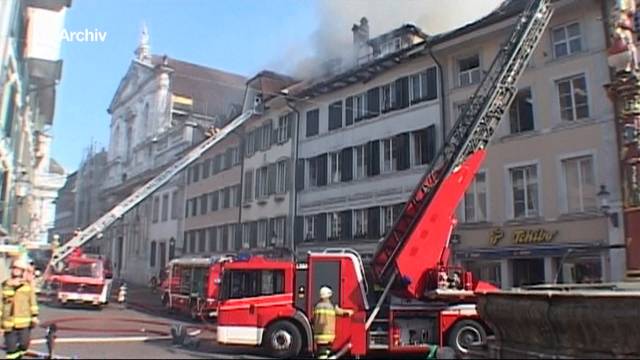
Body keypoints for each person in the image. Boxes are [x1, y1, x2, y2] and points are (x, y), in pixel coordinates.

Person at [1, 258, 39, 359]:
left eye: (18, 269)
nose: (15, 271)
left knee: (24, 344)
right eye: (14, 268)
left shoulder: (27, 286)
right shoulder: (5, 285)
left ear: (23, 271)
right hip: (9, 323)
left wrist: (34, 316)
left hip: (24, 323)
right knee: (11, 349)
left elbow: (32, 302)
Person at [312, 286, 354, 360]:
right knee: (324, 355)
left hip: (318, 336)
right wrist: (350, 312)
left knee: (322, 353)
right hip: (328, 336)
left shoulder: (316, 306)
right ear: (328, 295)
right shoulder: (331, 307)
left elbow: (313, 319)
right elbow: (341, 312)